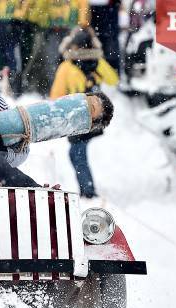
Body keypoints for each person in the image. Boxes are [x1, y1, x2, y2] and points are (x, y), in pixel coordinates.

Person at [50, 26, 118, 198]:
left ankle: (88, 192)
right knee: (77, 153)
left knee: (76, 153)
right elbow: (113, 79)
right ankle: (87, 189)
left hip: (76, 117)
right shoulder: (98, 63)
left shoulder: (66, 67)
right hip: (96, 115)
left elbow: (55, 95)